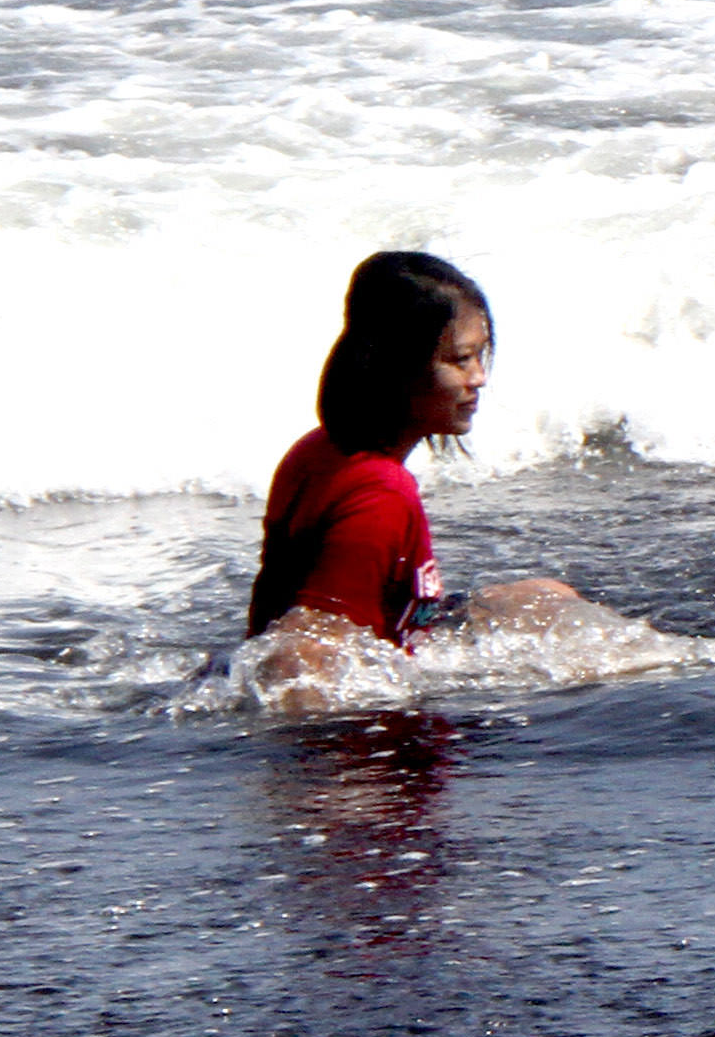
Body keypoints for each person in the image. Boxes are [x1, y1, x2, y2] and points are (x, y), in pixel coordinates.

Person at [237, 250, 596, 714]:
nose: (479, 378)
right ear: (398, 368)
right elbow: (299, 656)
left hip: (403, 638)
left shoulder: (321, 446)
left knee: (548, 598)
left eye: (480, 356)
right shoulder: (380, 495)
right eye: (461, 359)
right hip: (378, 741)